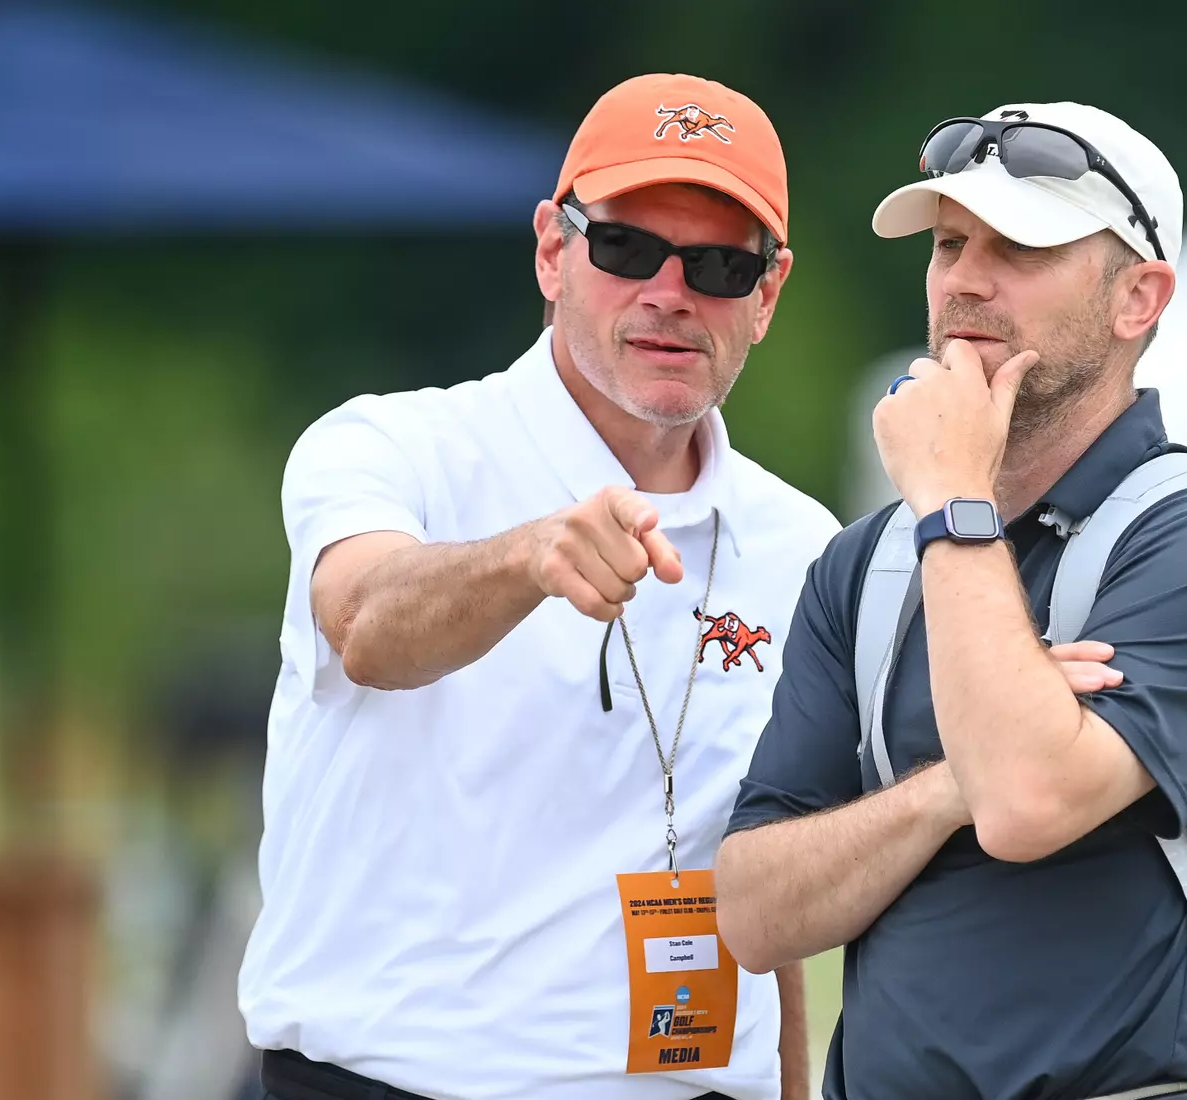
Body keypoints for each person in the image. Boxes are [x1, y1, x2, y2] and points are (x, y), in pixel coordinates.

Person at [239, 73, 837, 1100]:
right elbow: (367, 625)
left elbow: (771, 879)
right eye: (627, 248)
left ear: (768, 293)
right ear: (552, 252)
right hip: (395, 1082)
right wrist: (528, 558)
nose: (670, 291)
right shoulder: (391, 444)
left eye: (720, 265)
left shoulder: (805, 543)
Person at [715, 101, 1187, 1100]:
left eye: (1020, 245)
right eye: (949, 243)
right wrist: (946, 783)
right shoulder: (865, 566)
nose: (964, 280)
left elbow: (1028, 801)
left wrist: (953, 505)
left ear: (1138, 298)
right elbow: (754, 911)